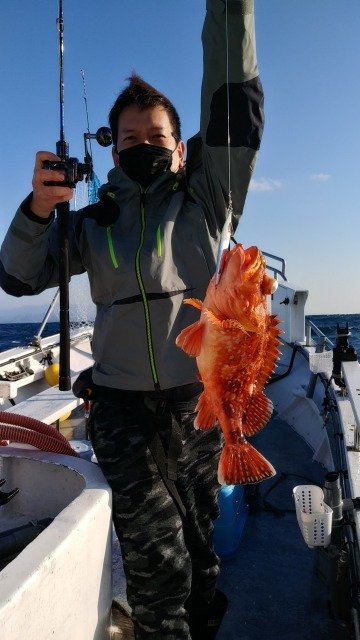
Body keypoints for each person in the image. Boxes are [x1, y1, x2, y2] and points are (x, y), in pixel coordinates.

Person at [0, 1, 264, 638]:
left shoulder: (208, 201)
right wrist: (39, 208)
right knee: (155, 556)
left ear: (181, 149)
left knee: (203, 553)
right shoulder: (91, 223)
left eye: (157, 137)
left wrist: (232, 11)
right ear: (112, 151)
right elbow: (17, 275)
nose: (142, 146)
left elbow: (234, 108)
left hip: (199, 404)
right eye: (129, 138)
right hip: (120, 410)